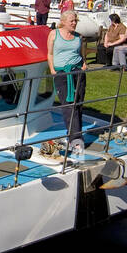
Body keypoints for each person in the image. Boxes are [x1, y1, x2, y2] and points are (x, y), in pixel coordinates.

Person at [47, 10, 87, 153]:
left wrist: (84, 64)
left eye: (76, 21)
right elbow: (50, 53)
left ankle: (76, 137)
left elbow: (80, 54)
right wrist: (52, 69)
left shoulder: (78, 37)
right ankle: (75, 140)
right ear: (63, 21)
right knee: (68, 106)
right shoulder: (54, 34)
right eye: (72, 21)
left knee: (78, 105)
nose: (74, 23)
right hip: (62, 74)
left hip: (77, 73)